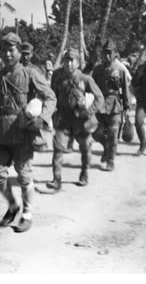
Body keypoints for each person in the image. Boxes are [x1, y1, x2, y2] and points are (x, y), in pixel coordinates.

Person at [0, 33, 56, 232]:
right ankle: (13, 205)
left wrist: (41, 119)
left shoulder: (29, 74)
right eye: (4, 50)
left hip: (23, 132)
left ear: (18, 52)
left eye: (11, 50)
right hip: (2, 134)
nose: (7, 54)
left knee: (23, 175)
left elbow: (50, 97)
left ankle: (27, 213)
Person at [46, 48, 104, 191]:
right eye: (66, 60)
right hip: (63, 118)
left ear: (78, 63)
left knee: (85, 149)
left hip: (81, 120)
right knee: (58, 148)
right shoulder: (58, 77)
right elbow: (52, 96)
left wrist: (88, 112)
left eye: (72, 61)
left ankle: (84, 173)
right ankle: (56, 179)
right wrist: (51, 113)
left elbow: (99, 98)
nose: (69, 64)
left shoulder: (85, 79)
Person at [92, 40, 130, 171]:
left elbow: (125, 88)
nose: (107, 56)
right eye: (105, 53)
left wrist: (126, 106)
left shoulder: (120, 70)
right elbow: (92, 88)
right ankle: (107, 148)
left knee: (113, 134)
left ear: (115, 54)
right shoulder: (97, 70)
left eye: (110, 53)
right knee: (96, 133)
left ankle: (110, 160)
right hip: (100, 104)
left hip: (115, 104)